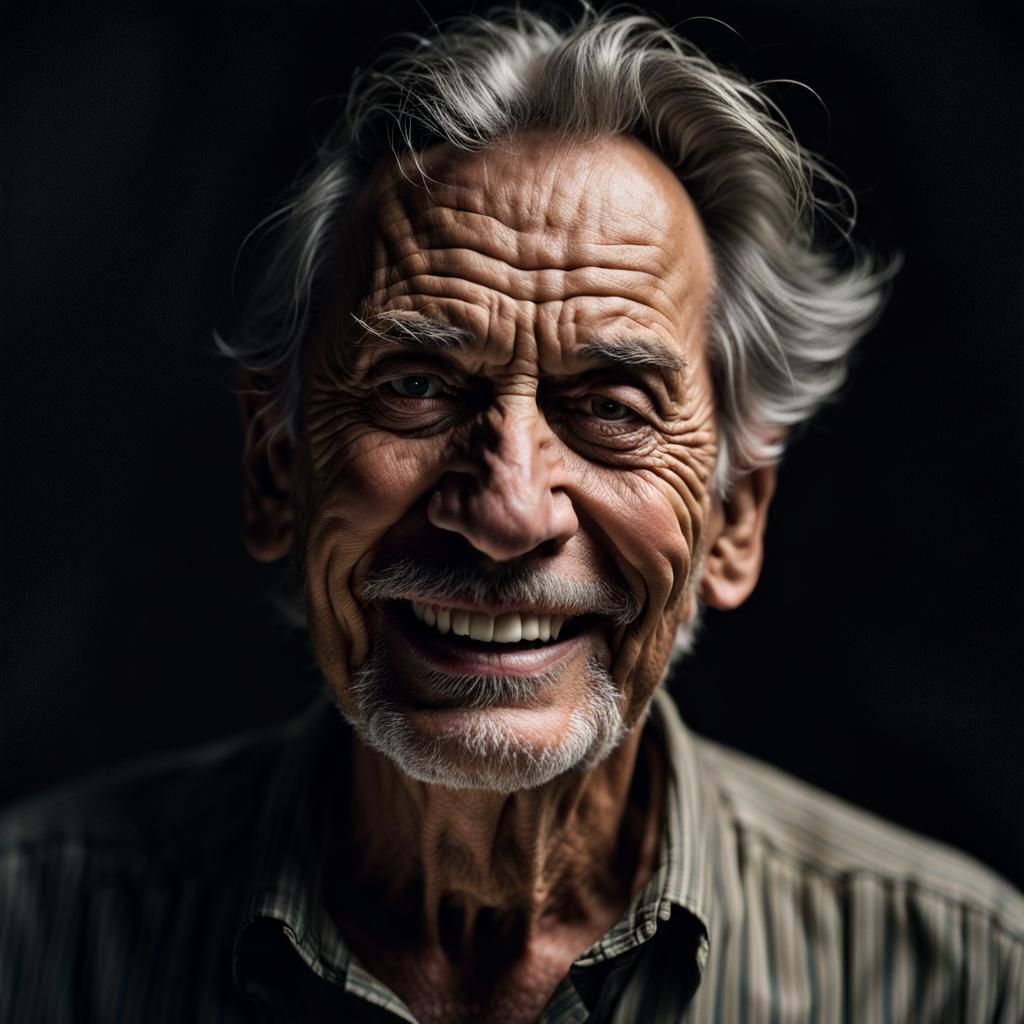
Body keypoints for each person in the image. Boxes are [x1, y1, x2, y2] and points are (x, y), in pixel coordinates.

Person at [1, 8, 1021, 1022]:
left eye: (613, 410)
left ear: (737, 512)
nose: (506, 510)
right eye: (414, 387)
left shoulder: (965, 982)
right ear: (277, 470)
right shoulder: (28, 934)